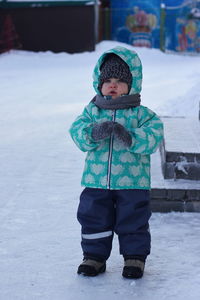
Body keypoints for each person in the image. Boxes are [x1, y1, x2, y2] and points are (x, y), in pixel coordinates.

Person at [69, 46, 163, 279]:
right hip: (96, 180)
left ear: (133, 83)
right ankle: (94, 257)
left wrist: (131, 136)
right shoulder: (92, 112)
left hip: (133, 182)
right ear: (98, 83)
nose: (113, 84)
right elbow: (76, 131)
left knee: (133, 219)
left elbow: (153, 137)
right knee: (93, 217)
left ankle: (134, 258)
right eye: (108, 80)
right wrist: (93, 133)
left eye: (120, 80)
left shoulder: (142, 114)